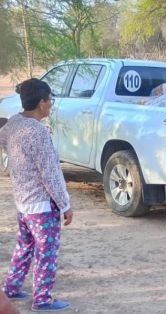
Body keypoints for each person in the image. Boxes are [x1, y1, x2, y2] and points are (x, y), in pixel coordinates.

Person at [0, 78, 73, 312]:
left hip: (23, 203)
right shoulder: (37, 132)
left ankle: (11, 287)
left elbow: (4, 141)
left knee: (24, 246)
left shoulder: (13, 123)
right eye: (49, 100)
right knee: (46, 253)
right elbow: (50, 175)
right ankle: (42, 299)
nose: (51, 105)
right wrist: (65, 205)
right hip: (41, 206)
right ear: (41, 103)